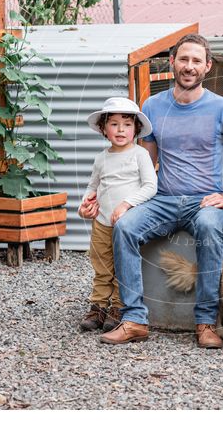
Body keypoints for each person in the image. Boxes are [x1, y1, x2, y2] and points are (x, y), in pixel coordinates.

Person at [97, 33, 223, 348]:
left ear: (207, 66)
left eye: (197, 60)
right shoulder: (153, 106)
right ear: (172, 63)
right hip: (163, 199)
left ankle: (206, 323)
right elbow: (142, 162)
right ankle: (134, 320)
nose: (189, 66)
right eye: (184, 59)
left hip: (204, 202)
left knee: (210, 227)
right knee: (125, 226)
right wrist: (122, 200)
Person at [77, 97, 157, 333]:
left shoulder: (140, 155)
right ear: (103, 128)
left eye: (127, 124)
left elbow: (150, 186)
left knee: (123, 266)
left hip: (126, 222)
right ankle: (98, 307)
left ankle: (119, 308)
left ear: (137, 129)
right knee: (102, 265)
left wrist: (126, 204)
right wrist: (85, 206)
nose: (120, 129)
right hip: (102, 222)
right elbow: (93, 186)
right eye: (113, 124)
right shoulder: (101, 158)